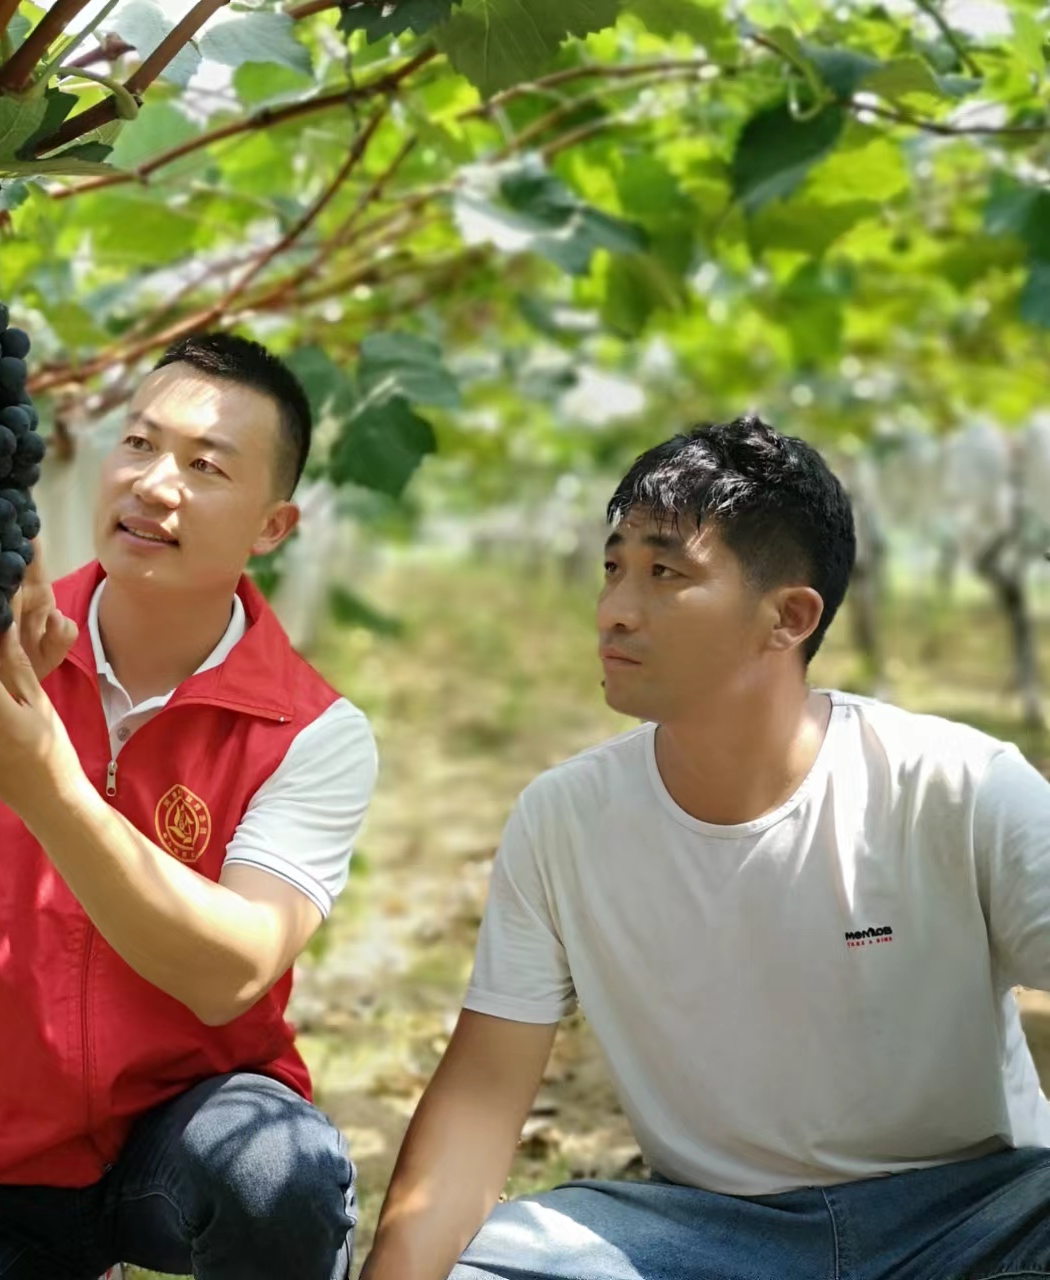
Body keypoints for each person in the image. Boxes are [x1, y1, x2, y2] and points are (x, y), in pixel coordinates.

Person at [362, 415, 1050, 1280]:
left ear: (788, 618)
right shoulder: (565, 820)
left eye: (665, 573)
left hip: (978, 1221)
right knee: (501, 1261)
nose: (614, 611)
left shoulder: (958, 786)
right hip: (712, 1236)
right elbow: (480, 1103)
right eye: (613, 568)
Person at [0, 332, 378, 1280]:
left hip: (185, 1132)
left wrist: (43, 783)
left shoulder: (311, 730)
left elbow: (231, 971)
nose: (154, 484)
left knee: (280, 1175)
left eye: (206, 466)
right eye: (138, 444)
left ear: (273, 526)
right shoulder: (6, 644)